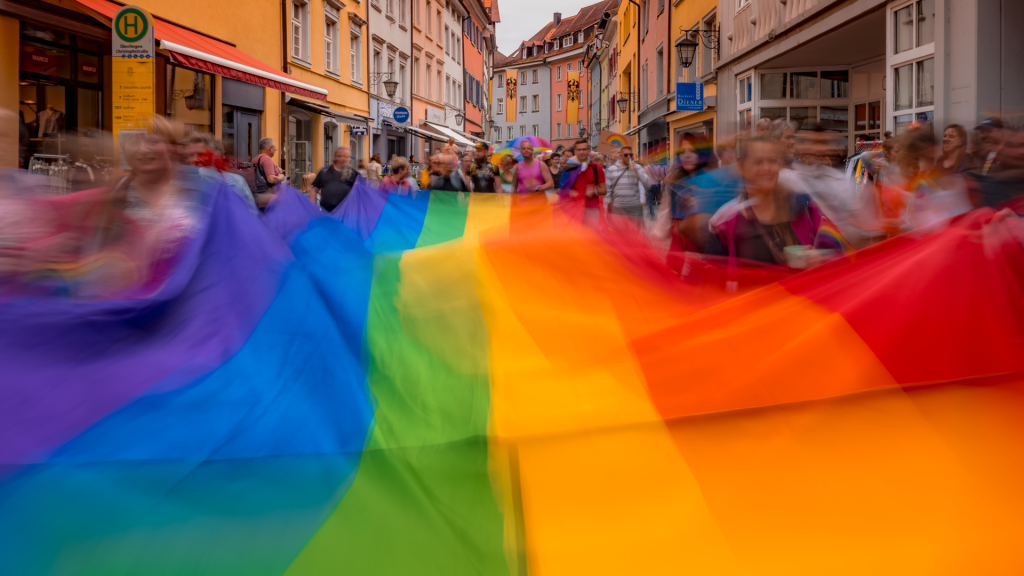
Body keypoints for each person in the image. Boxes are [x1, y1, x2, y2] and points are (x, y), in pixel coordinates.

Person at [706, 137, 841, 266]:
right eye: (758, 162)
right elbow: (712, 272)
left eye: (772, 161)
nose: (767, 168)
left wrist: (820, 257)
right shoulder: (725, 220)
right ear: (742, 168)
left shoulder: (805, 206)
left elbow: (838, 248)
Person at [184, 133, 258, 214]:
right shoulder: (185, 185)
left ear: (215, 156)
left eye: (200, 154)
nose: (195, 159)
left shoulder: (237, 182)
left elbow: (252, 214)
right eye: (191, 155)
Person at [559, 139, 607, 226]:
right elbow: (562, 189)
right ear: (575, 151)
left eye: (584, 149)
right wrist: (569, 192)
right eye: (579, 150)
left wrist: (595, 190)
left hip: (591, 209)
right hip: (573, 209)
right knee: (575, 238)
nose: (582, 152)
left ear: (588, 151)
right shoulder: (568, 167)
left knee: (591, 238)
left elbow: (604, 190)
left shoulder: (596, 168)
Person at [604, 145, 650, 223]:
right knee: (619, 232)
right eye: (626, 155)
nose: (629, 157)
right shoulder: (612, 169)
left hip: (634, 206)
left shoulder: (638, 167)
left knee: (635, 232)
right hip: (618, 207)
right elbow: (608, 189)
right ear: (621, 156)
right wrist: (606, 206)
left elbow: (648, 184)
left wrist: (637, 172)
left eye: (630, 155)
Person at [312, 147, 360, 212]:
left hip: (347, 214)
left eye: (346, 156)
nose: (344, 159)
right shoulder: (324, 172)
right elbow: (314, 190)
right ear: (336, 157)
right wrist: (311, 209)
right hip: (327, 213)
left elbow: (361, 191)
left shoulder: (354, 173)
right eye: (340, 156)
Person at [252, 137, 285, 209]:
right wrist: (281, 177)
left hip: (259, 196)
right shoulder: (267, 159)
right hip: (270, 198)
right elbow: (271, 179)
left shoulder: (255, 159)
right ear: (270, 148)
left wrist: (277, 169)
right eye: (275, 148)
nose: (275, 150)